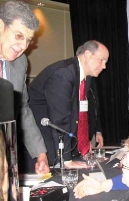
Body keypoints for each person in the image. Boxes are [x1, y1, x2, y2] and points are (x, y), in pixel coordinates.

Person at [28, 40, 108, 168]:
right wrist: (65, 160)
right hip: (43, 141)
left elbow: (79, 115)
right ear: (88, 54)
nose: (104, 66)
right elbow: (60, 118)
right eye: (101, 60)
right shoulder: (64, 73)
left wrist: (84, 144)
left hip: (61, 142)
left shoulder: (85, 77)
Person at [0, 0, 49, 174]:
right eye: (19, 36)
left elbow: (22, 109)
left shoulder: (20, 63)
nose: (23, 47)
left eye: (28, 40)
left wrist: (40, 153)